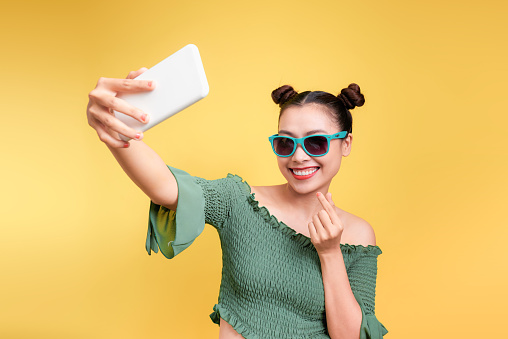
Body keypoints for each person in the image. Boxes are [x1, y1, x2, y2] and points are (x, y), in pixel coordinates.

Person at [86, 67, 389, 339]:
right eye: (285, 142)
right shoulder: (239, 202)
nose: (298, 157)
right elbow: (166, 187)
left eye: (316, 142)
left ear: (345, 143)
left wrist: (330, 252)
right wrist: (113, 126)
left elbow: (350, 336)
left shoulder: (358, 235)